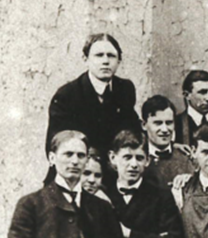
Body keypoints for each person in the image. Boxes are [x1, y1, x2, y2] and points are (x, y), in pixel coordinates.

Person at [46, 33, 140, 162]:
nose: (105, 61)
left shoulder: (124, 89)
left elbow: (132, 130)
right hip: (80, 166)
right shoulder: (67, 95)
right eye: (99, 55)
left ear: (119, 61)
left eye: (111, 56)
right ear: (85, 59)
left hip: (114, 167)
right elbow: (56, 144)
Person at [141, 95, 195, 189]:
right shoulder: (137, 158)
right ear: (144, 125)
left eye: (169, 123)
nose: (165, 129)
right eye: (158, 123)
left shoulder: (185, 159)